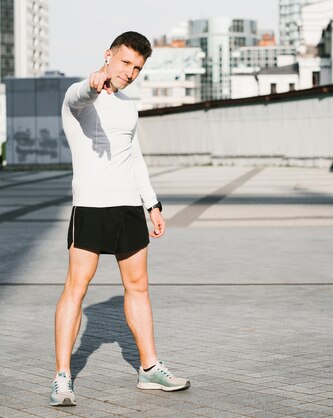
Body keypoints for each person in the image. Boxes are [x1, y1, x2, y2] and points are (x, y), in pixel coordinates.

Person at [50, 31, 189, 407]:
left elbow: (135, 157)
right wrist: (93, 84)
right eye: (126, 62)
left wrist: (152, 204)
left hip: (128, 209)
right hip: (91, 208)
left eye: (138, 68)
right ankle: (62, 377)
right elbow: (82, 94)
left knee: (139, 287)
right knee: (76, 288)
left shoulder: (129, 106)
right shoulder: (78, 98)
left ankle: (150, 368)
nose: (130, 72)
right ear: (109, 55)